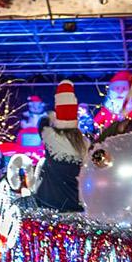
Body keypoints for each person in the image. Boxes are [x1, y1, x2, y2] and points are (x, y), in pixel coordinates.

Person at [36, 81, 86, 212]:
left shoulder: (50, 137)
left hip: (49, 203)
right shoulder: (85, 143)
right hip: (75, 203)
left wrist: (53, 116)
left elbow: (42, 122)